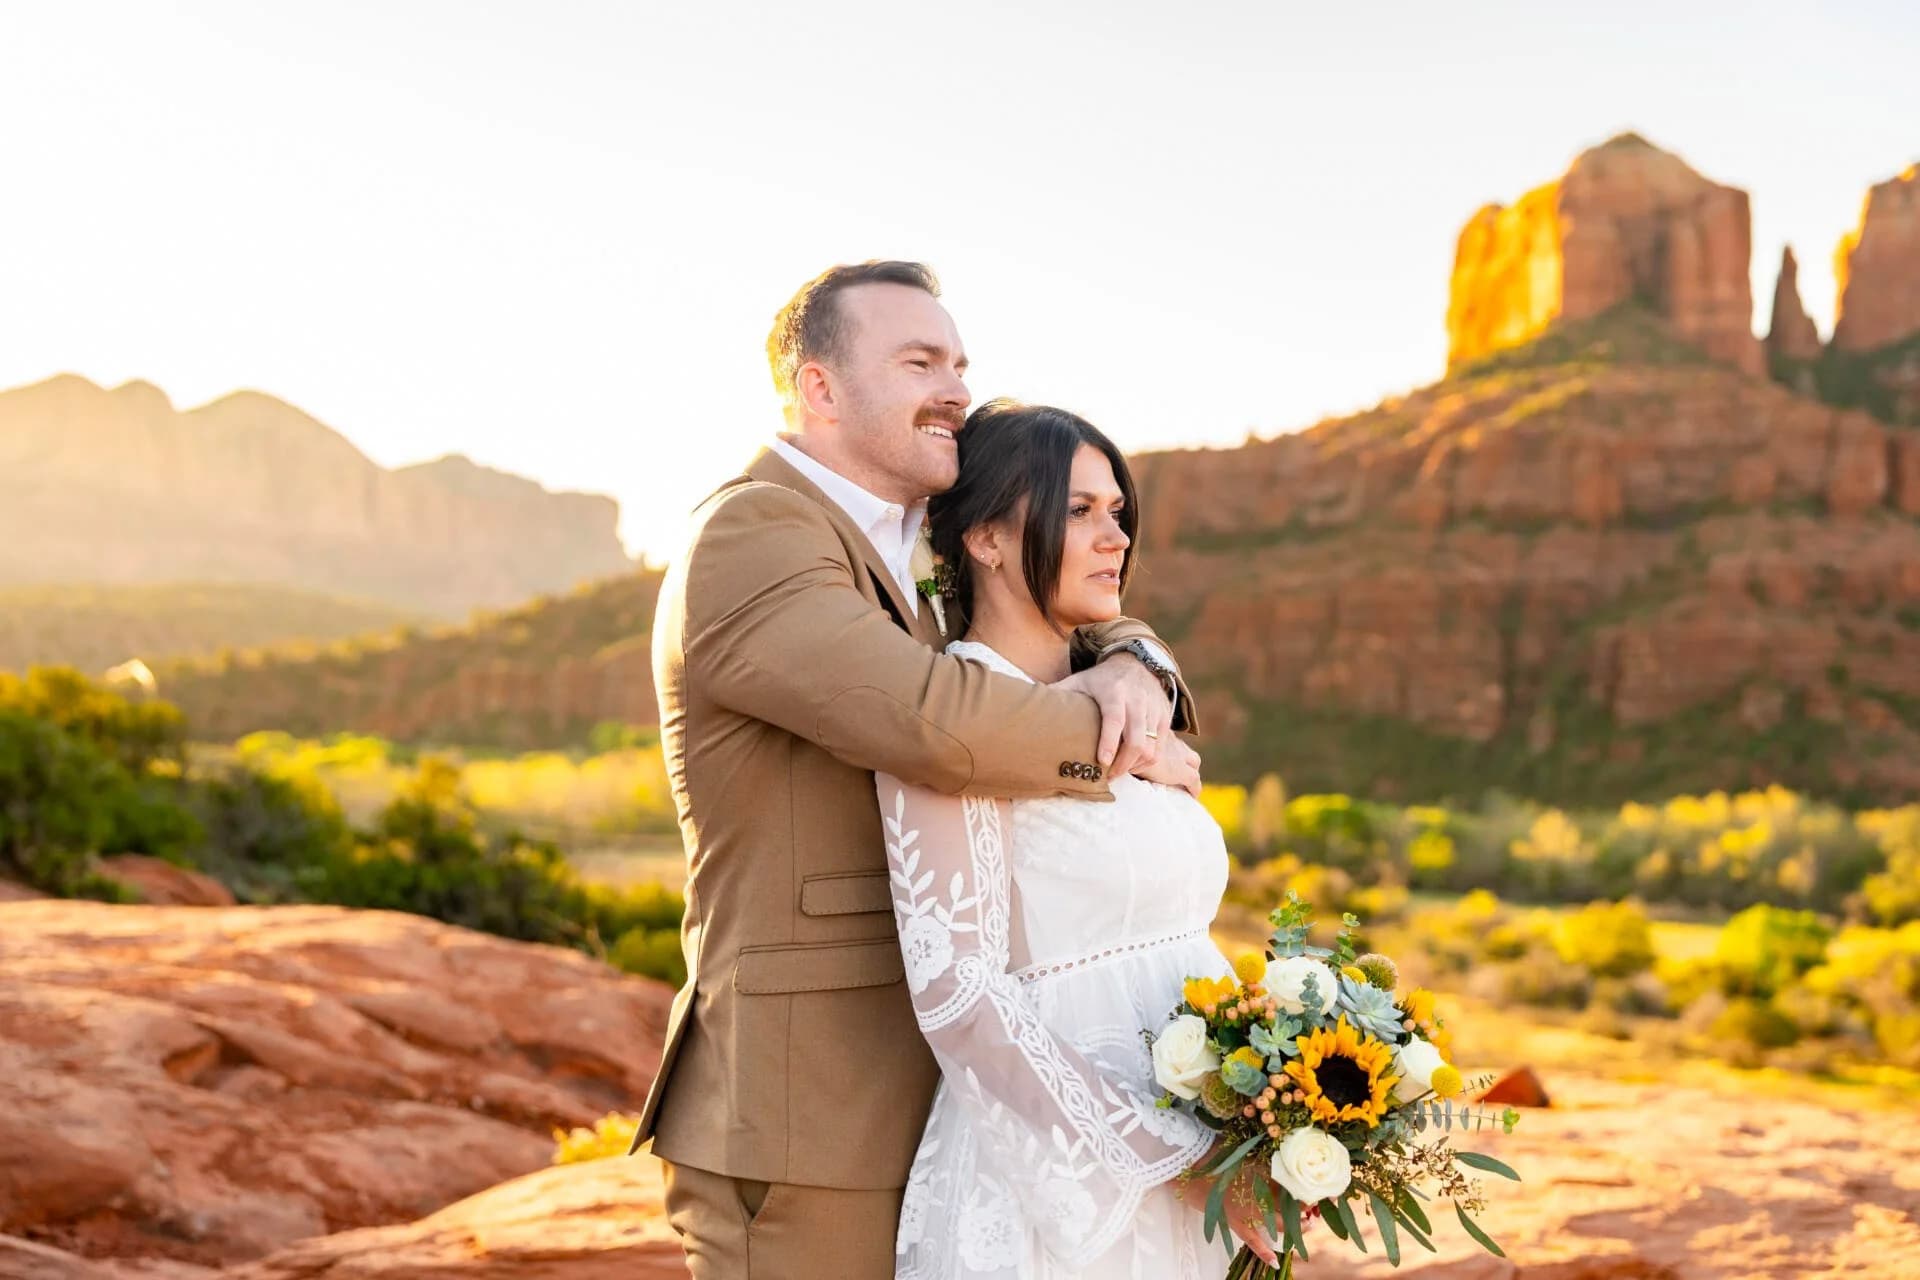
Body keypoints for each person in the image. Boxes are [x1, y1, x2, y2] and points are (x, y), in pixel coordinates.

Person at [635, 261, 1205, 1279]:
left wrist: (1134, 657)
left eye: (959, 362)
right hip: (807, 1110)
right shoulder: (753, 535)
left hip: (942, 1111)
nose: (955, 387)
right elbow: (938, 720)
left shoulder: (903, 558)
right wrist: (1132, 742)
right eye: (918, 361)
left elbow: (1034, 603)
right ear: (818, 387)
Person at [880, 400, 1278, 1278]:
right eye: (1079, 511)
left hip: (1206, 1165)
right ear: (984, 537)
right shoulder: (950, 720)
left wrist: (1276, 1106)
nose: (1117, 538)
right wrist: (1170, 1155)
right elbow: (959, 992)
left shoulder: (1131, 707)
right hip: (1063, 1191)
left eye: (1119, 513)